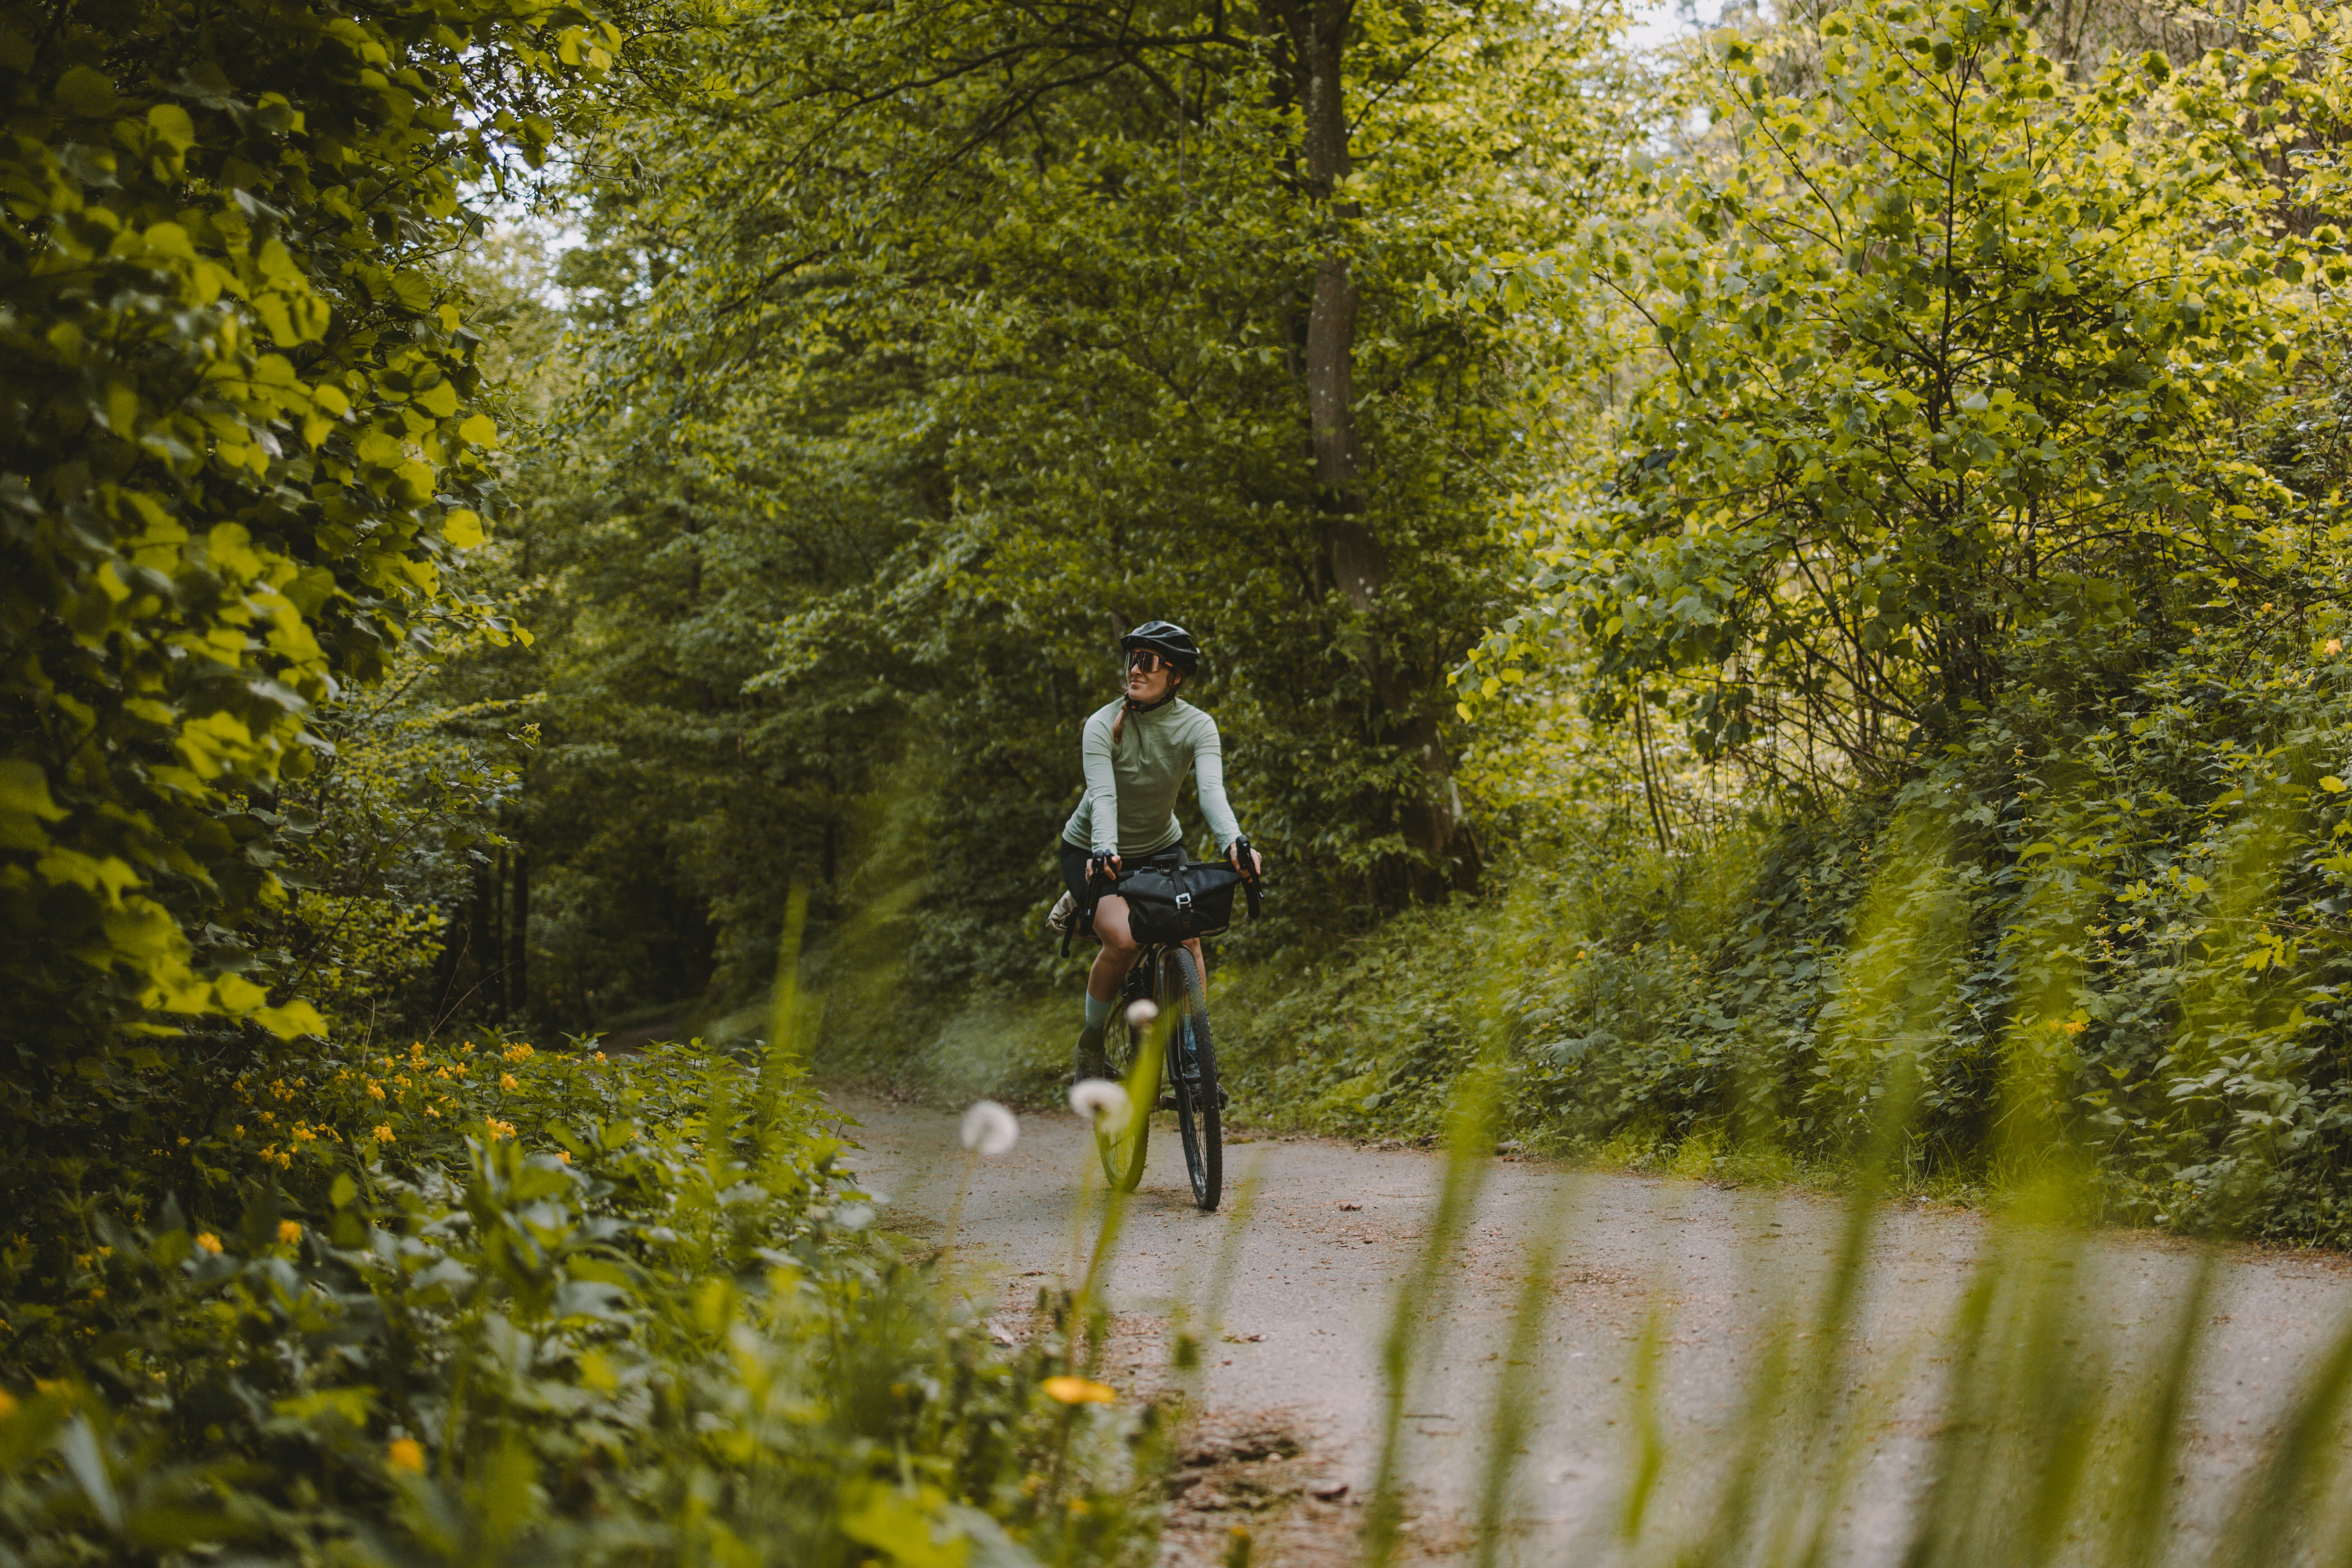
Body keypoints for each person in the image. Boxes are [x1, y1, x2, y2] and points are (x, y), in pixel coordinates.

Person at [1060, 620, 1263, 1080]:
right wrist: (1104, 851)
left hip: (1161, 846)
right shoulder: (1100, 725)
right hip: (1091, 850)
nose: (1136, 669)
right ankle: (1091, 1042)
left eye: (1148, 661)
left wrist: (1235, 843)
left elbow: (1211, 792)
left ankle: (1193, 1050)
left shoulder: (1198, 725)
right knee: (1124, 940)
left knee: (1188, 936)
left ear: (1176, 676)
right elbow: (1103, 798)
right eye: (1132, 659)